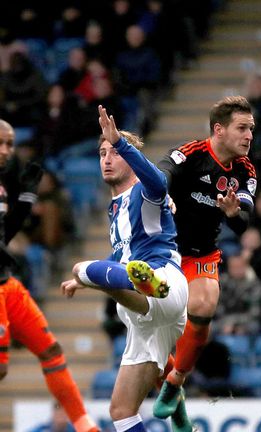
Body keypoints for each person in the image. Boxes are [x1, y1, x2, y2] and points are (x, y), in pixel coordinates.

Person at [59, 107, 188, 431]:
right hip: (148, 322)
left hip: (166, 282)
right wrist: (85, 283)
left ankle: (143, 282)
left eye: (114, 152)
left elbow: (158, 183)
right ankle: (180, 412)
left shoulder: (144, 192)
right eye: (102, 152)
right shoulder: (116, 208)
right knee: (121, 412)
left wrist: (122, 142)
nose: (106, 158)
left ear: (130, 159)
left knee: (83, 267)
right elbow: (119, 255)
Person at [154, 96, 257, 419]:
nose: (249, 136)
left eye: (251, 129)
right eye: (242, 128)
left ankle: (176, 380)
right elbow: (162, 172)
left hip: (201, 253)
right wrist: (163, 194)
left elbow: (242, 225)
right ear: (219, 130)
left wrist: (232, 213)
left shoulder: (245, 170)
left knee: (205, 304)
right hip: (163, 249)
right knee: (151, 327)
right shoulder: (191, 154)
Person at [0, 120, 97, 432]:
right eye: (1, 143)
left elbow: (5, 233)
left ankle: (84, 426)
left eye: (10, 144)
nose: (6, 151)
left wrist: (27, 197)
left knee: (51, 350)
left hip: (7, 283)